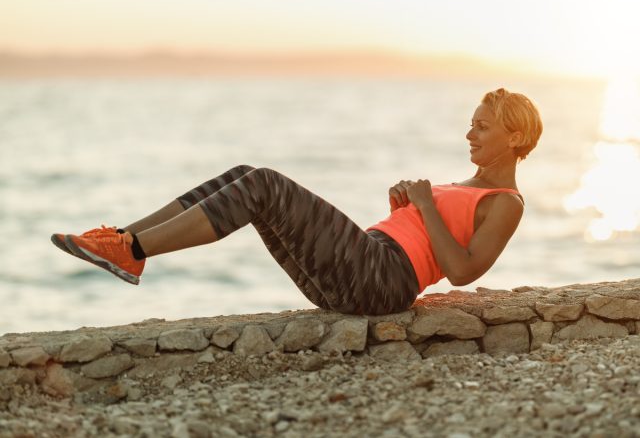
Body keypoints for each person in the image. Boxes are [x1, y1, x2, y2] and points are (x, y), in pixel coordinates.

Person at [52, 87, 543, 316]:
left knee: (264, 183)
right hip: (367, 264)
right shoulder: (470, 183)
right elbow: (427, 239)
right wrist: (405, 208)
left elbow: (462, 271)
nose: (469, 133)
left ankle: (132, 251)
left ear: (514, 135)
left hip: (384, 280)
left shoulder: (507, 202)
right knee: (247, 177)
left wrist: (428, 208)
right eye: (472, 123)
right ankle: (122, 239)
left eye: (482, 126)